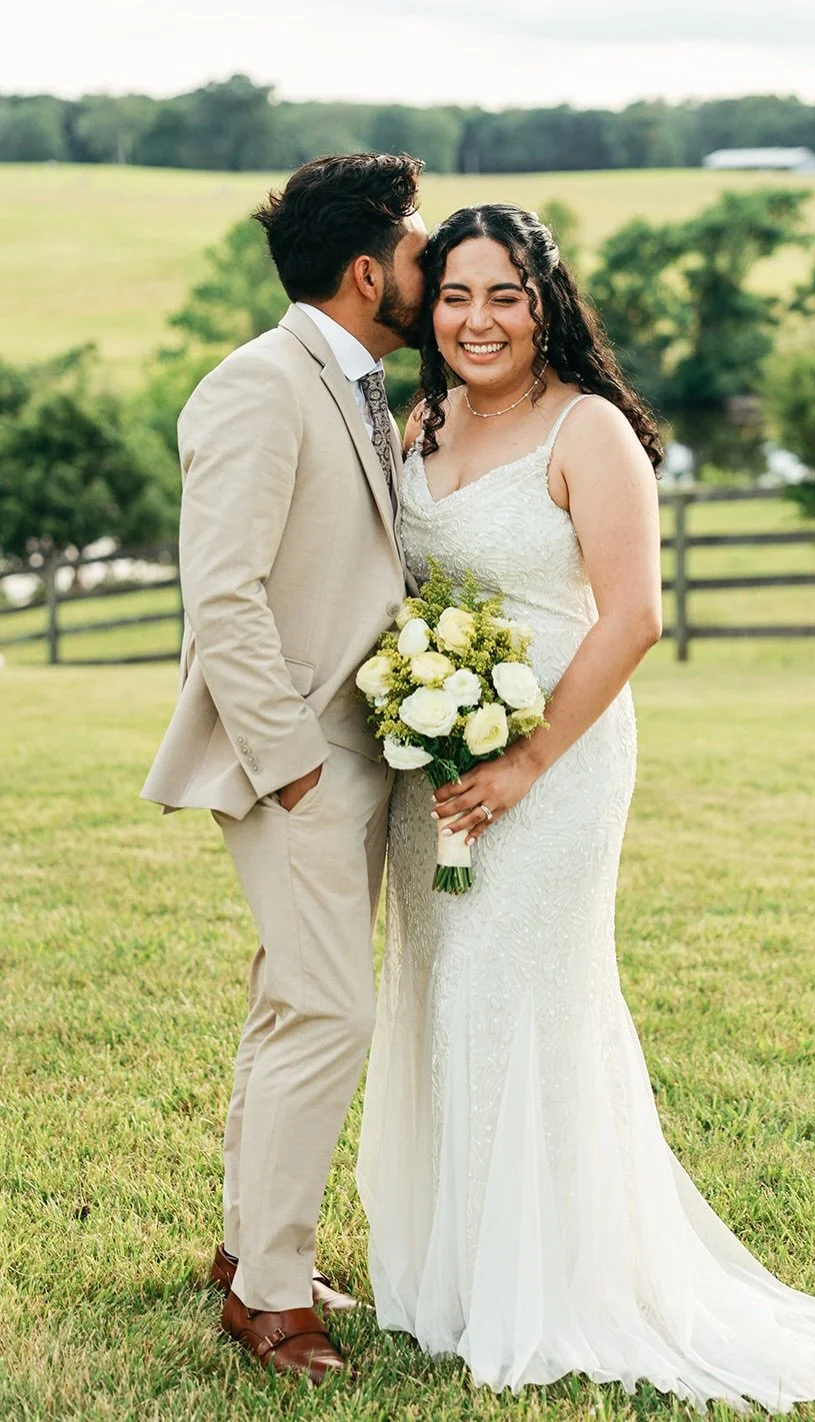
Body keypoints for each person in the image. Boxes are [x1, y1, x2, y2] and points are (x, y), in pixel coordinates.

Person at [355, 204, 815, 1413]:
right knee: (445, 991)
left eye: (503, 294)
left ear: (545, 299)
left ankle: (556, 1280)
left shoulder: (588, 428)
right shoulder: (426, 418)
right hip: (437, 769)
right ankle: (459, 1274)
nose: (475, 320)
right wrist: (427, 718)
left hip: (551, 767)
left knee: (524, 994)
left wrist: (520, 764)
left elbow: (630, 617)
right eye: (454, 296)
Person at [142, 152, 427, 1383]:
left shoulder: (356, 385)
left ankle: (246, 1251)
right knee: (329, 1011)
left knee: (287, 1003)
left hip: (355, 755)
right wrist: (293, 765)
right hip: (297, 762)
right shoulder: (258, 385)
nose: (433, 266)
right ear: (368, 271)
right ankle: (269, 1301)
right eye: (419, 251)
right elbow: (224, 593)